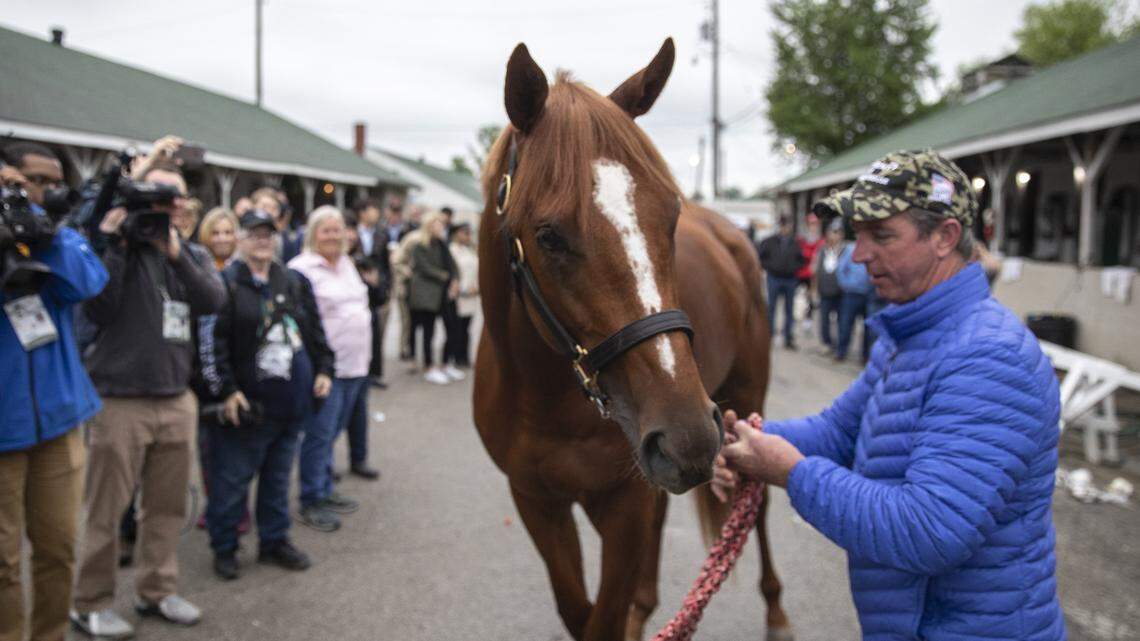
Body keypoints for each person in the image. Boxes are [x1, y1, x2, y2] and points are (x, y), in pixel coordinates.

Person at [712, 150, 1065, 641]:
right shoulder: (912, 335)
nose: (859, 255)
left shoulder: (986, 358)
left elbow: (930, 530)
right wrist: (741, 438)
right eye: (858, 234)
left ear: (943, 237)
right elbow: (838, 432)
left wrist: (791, 472)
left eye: (881, 236)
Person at [72, 157, 226, 638]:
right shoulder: (111, 246)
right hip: (120, 400)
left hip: (175, 397)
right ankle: (89, 601)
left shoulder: (190, 254)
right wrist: (117, 243)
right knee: (106, 511)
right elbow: (98, 306)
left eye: (177, 197)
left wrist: (175, 252)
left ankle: (156, 590)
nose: (171, 206)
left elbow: (213, 301)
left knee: (166, 507)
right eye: (159, 197)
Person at [0, 151, 109, 641]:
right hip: (4, 429)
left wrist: (39, 228)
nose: (41, 190)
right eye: (29, 181)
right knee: (3, 563)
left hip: (60, 419)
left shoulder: (50, 237)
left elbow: (89, 281)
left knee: (59, 548)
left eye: (46, 184)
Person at [209, 210, 334, 580]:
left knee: (278, 480)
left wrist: (325, 369)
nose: (262, 240)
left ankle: (274, 541)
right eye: (254, 234)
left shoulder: (293, 280)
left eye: (268, 234)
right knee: (232, 482)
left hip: (291, 404)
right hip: (247, 407)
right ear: (241, 239)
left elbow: (314, 331)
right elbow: (212, 345)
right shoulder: (226, 283)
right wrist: (227, 391)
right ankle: (225, 546)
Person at [287, 206, 371, 532]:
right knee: (319, 433)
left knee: (333, 431)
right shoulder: (301, 269)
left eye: (338, 229)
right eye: (326, 230)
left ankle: (324, 487)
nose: (334, 235)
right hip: (325, 367)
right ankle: (311, 498)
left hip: (356, 364)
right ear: (312, 233)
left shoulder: (348, 264)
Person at [408, 211, 459, 385]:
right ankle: (429, 366)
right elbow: (423, 267)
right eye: (438, 224)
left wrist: (455, 280)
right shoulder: (419, 246)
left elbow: (453, 265)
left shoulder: (443, 245)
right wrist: (445, 276)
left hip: (444, 295)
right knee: (428, 332)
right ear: (430, 226)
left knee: (451, 327)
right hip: (427, 295)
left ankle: (445, 363)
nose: (441, 227)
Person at [352, 199, 391, 389]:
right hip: (355, 287)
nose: (377, 213)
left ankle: (374, 372)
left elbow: (385, 263)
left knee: (375, 332)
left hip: (375, 290)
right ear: (362, 213)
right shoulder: (352, 233)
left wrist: (384, 284)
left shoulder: (381, 235)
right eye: (373, 209)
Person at [756, 215, 804, 350]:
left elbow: (801, 259)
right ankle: (769, 335)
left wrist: (793, 268)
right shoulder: (769, 241)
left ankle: (788, 337)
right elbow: (760, 257)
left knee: (789, 310)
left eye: (786, 225)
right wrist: (771, 266)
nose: (784, 228)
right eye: (782, 225)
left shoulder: (795, 242)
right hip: (774, 278)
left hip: (790, 279)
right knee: (771, 308)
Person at [445, 222, 478, 369]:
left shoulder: (469, 250)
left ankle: (464, 357)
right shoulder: (451, 251)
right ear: (455, 233)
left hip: (472, 294)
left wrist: (476, 288)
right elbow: (452, 273)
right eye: (464, 232)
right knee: (456, 329)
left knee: (466, 329)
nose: (467, 236)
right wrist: (462, 290)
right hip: (458, 295)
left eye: (468, 233)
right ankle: (453, 358)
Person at [834, 238, 873, 363]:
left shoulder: (873, 248)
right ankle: (841, 351)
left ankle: (866, 356)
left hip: (868, 294)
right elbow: (840, 269)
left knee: (868, 328)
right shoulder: (851, 249)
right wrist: (845, 284)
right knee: (846, 324)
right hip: (851, 294)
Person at [813, 218, 844, 352]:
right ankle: (826, 342)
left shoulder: (845, 250)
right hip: (825, 291)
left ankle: (839, 344)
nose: (834, 235)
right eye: (832, 232)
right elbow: (816, 271)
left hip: (841, 292)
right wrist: (813, 289)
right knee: (824, 319)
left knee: (841, 320)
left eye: (837, 232)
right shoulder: (822, 250)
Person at [796, 212, 823, 335]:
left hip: (813, 275)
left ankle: (808, 319)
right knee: (799, 297)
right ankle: (798, 317)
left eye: (816, 224)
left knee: (811, 298)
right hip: (801, 273)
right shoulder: (802, 240)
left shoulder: (821, 241)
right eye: (811, 224)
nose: (814, 227)